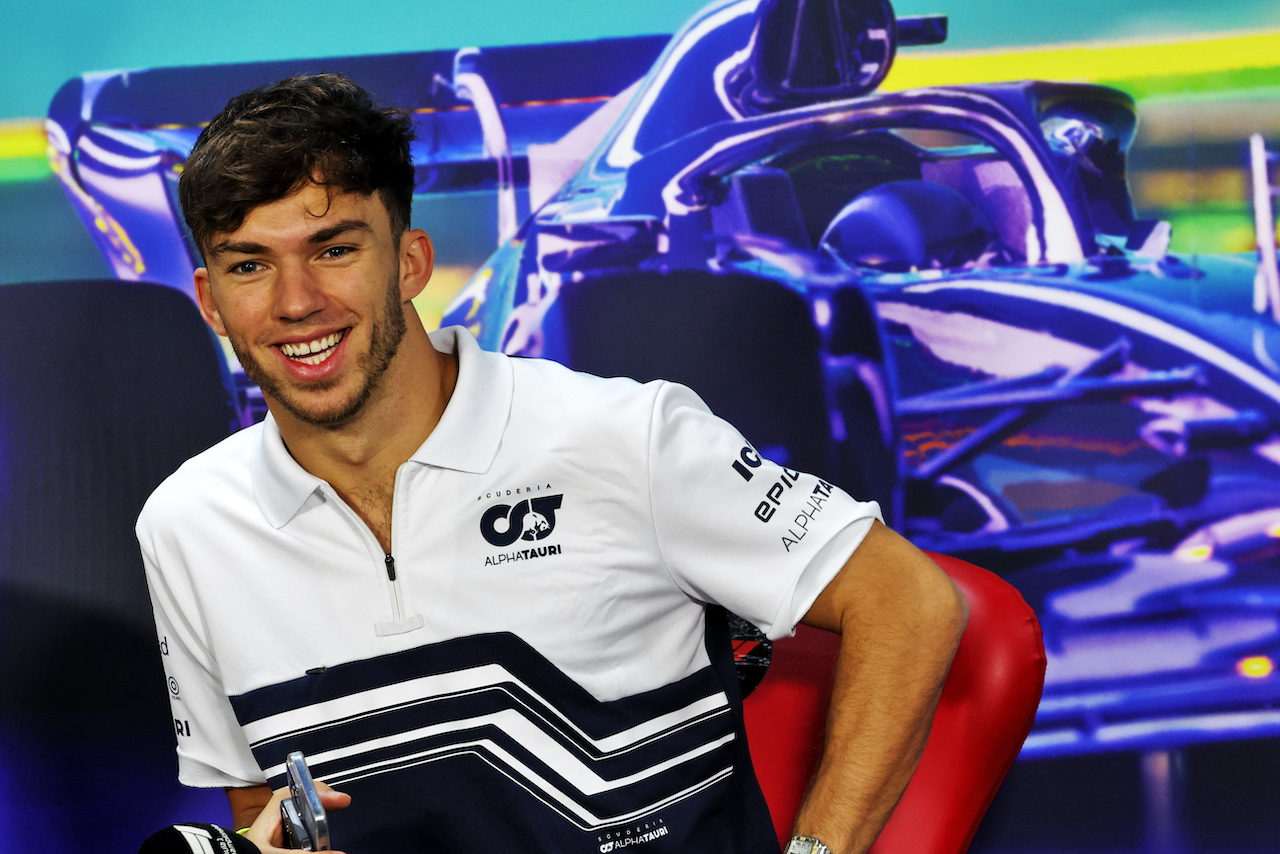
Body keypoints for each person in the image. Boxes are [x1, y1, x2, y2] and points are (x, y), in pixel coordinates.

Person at [138, 72, 967, 854]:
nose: (294, 302)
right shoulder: (186, 526)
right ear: (212, 302)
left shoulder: (626, 436)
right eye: (250, 264)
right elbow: (262, 805)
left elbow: (908, 602)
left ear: (411, 263)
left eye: (334, 249)